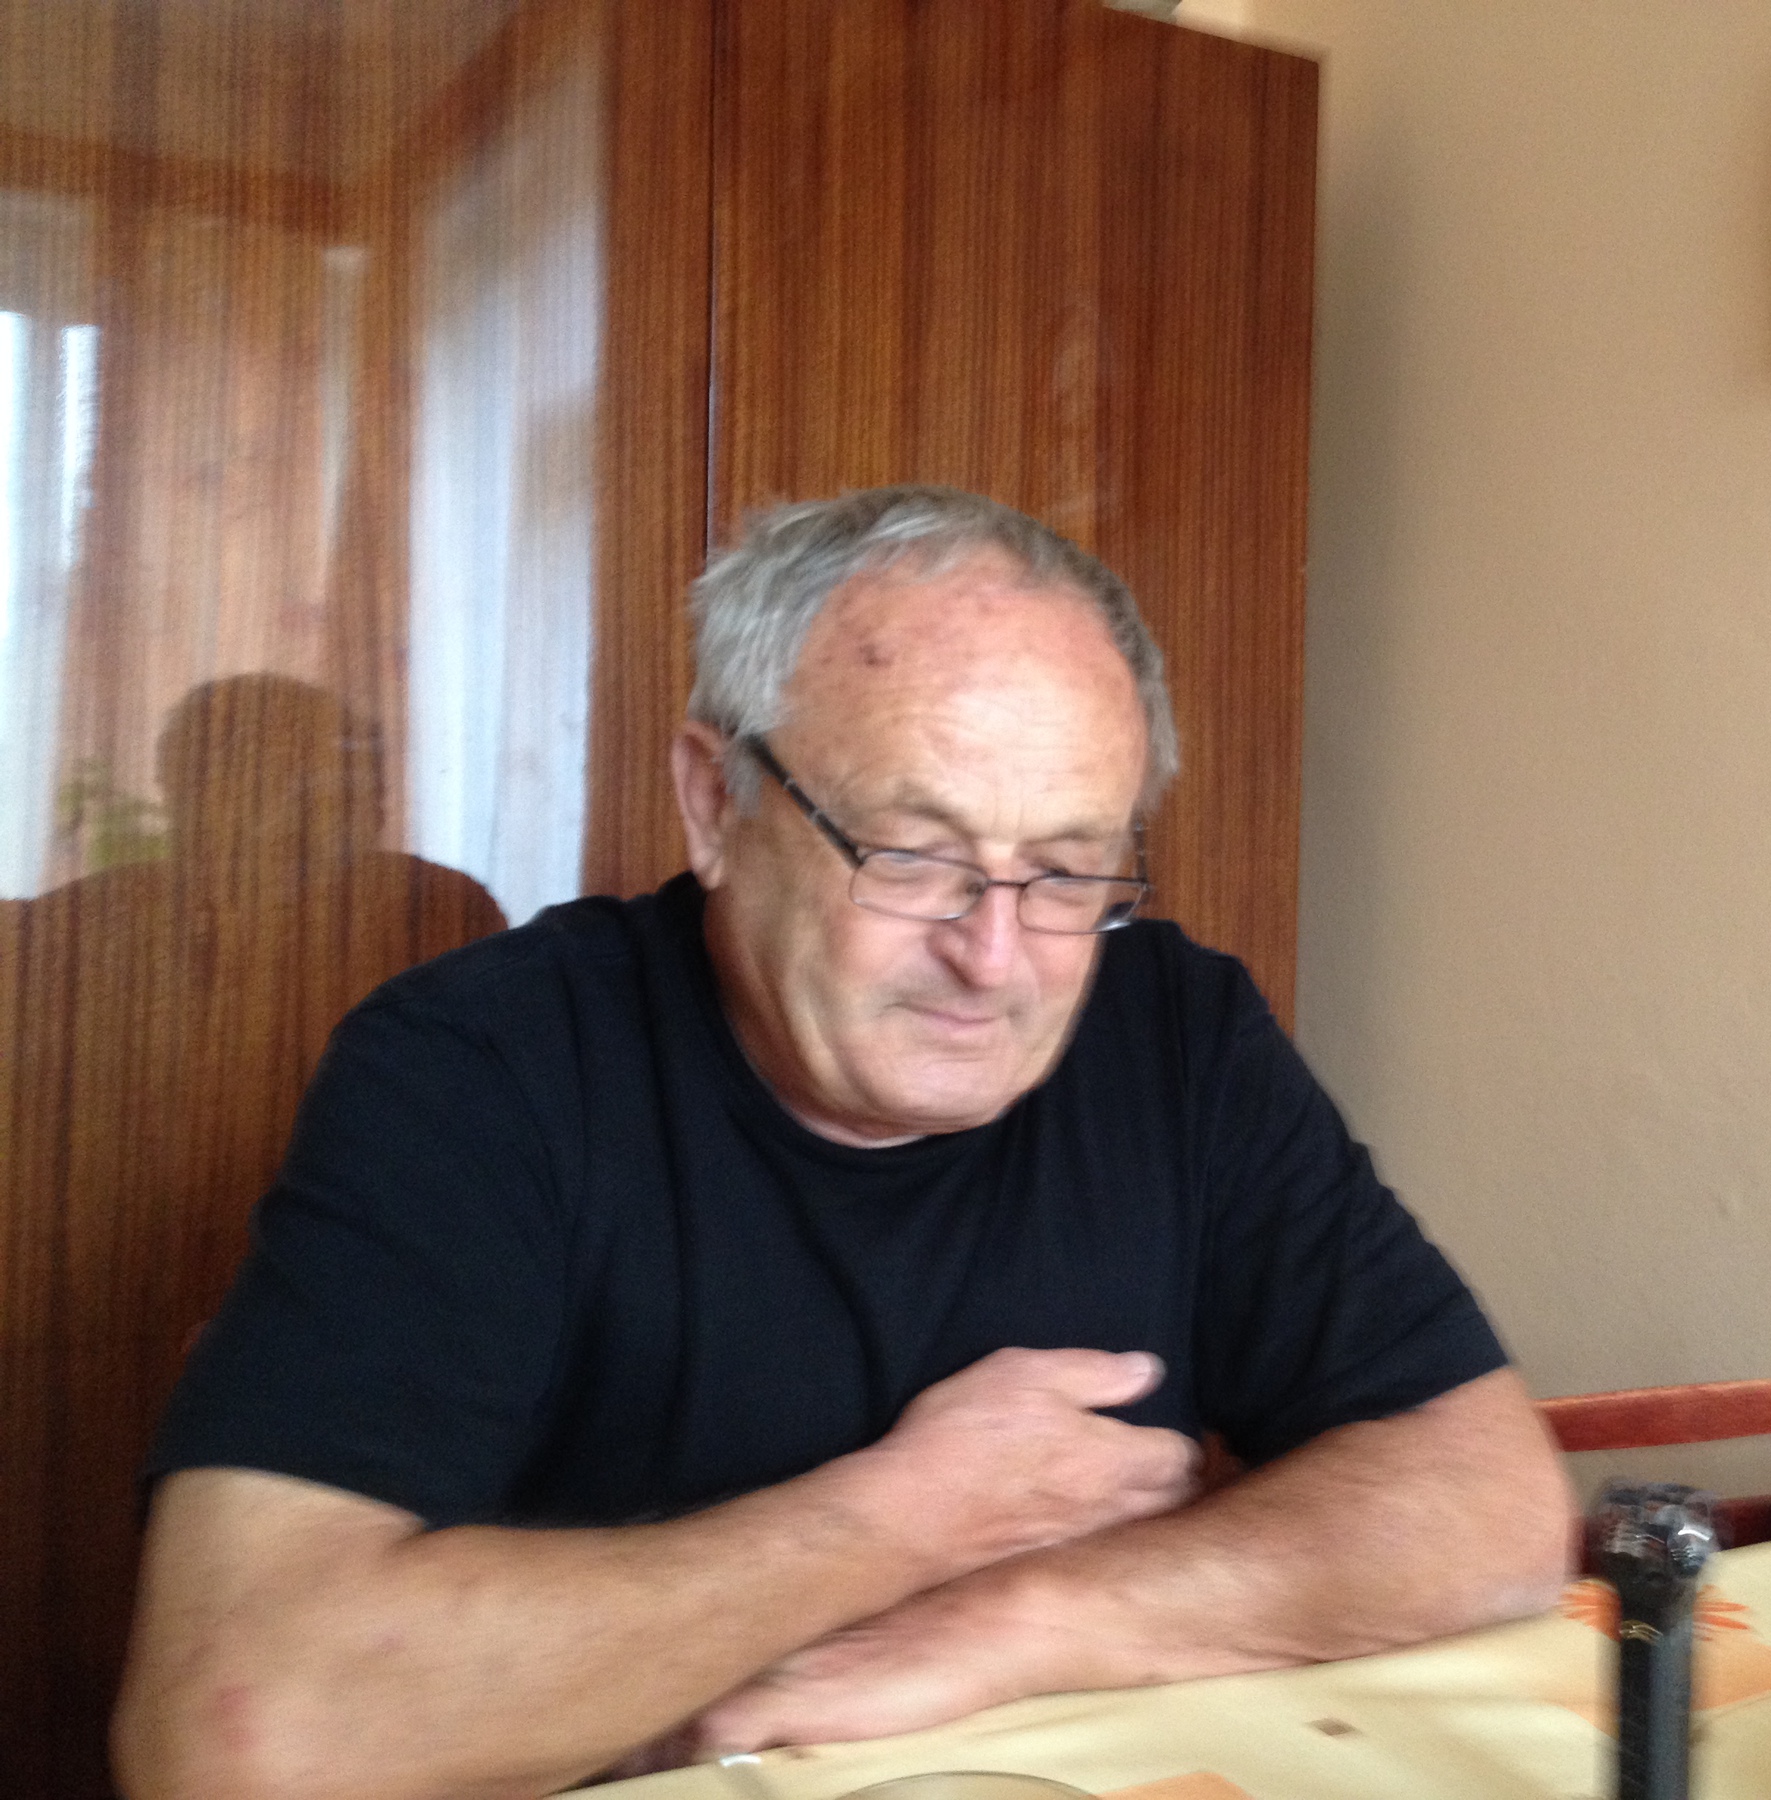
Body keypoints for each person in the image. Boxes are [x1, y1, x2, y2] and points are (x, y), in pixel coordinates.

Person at [112, 487, 1574, 1800]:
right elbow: (242, 1734)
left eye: (1067, 869)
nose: (993, 957)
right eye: (914, 854)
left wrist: (1014, 1622)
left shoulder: (1179, 1034)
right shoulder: (477, 1069)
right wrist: (908, 1515)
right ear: (716, 803)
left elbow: (1491, 1509)